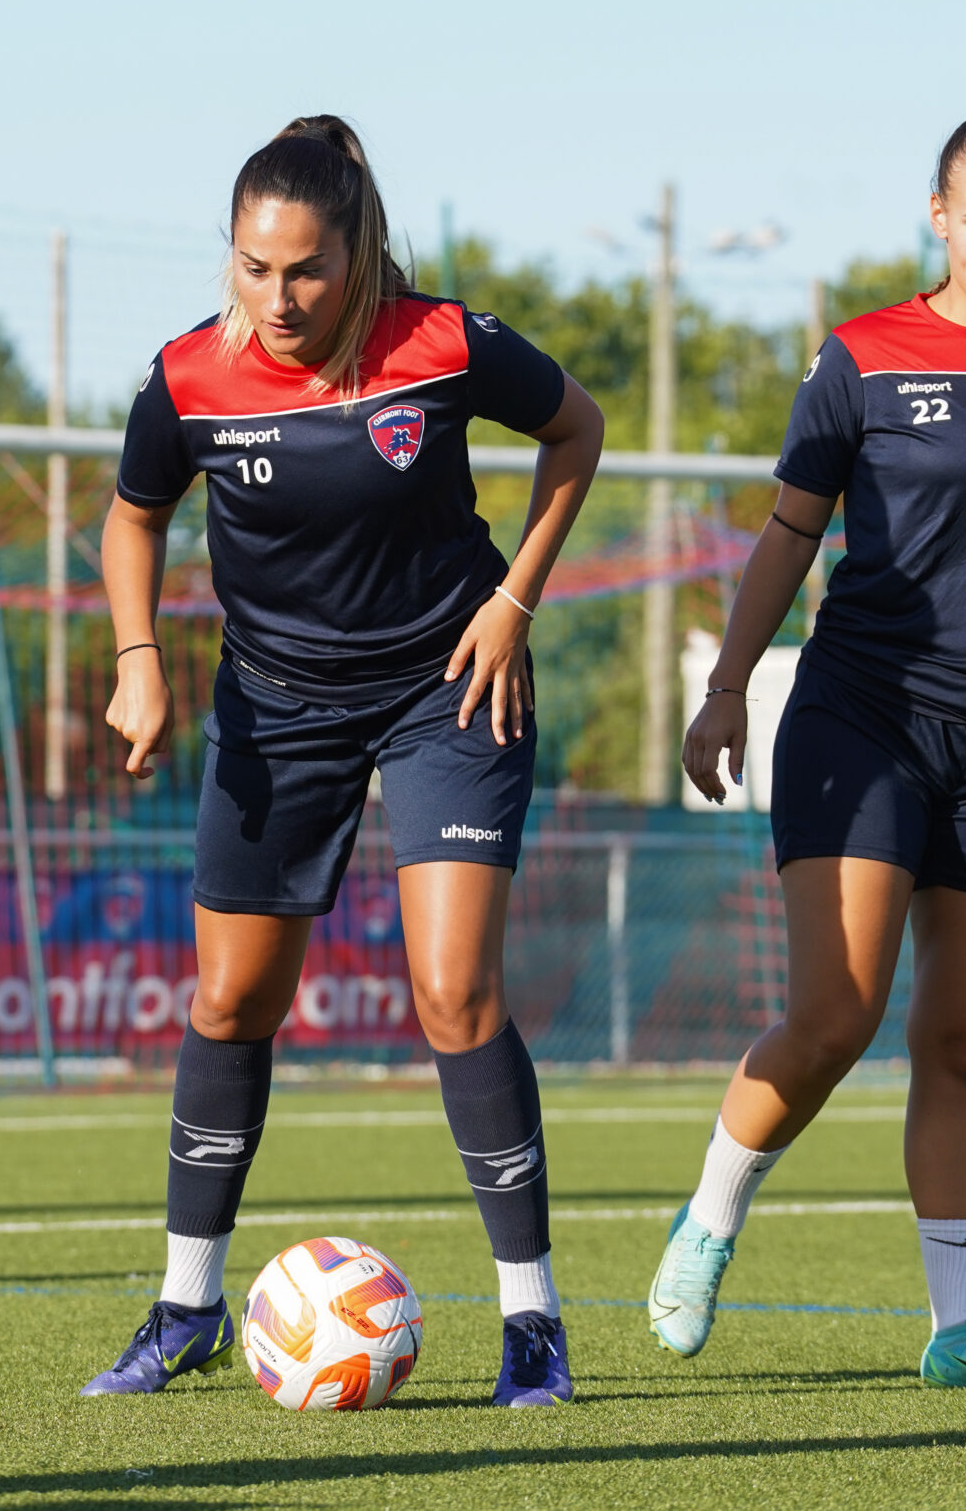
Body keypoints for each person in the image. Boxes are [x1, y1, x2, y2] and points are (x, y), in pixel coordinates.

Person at [86, 115, 604, 1406]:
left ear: (357, 252)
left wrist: (514, 602)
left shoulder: (444, 344)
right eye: (253, 268)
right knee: (229, 1005)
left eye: (305, 270)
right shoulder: (188, 378)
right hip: (274, 710)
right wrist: (137, 658)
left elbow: (576, 431)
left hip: (450, 688)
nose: (277, 297)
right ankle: (185, 1306)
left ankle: (531, 1326)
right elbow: (132, 515)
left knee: (452, 997)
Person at [649, 99, 966, 1392]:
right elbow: (786, 535)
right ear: (939, 215)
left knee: (964, 1042)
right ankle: (709, 1215)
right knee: (837, 1011)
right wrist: (723, 689)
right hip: (860, 719)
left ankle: (962, 1330)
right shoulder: (861, 360)